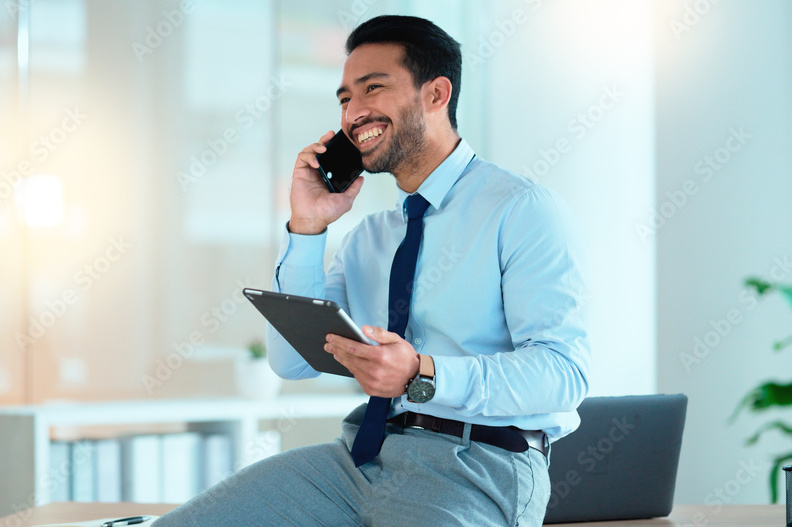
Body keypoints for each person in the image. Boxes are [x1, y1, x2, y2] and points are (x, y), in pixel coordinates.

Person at [155, 14, 590, 527]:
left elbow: (564, 374)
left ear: (436, 94)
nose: (353, 113)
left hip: (479, 466)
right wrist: (307, 227)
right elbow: (291, 362)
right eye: (344, 99)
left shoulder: (520, 209)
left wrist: (422, 373)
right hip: (360, 461)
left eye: (373, 89)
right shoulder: (368, 237)